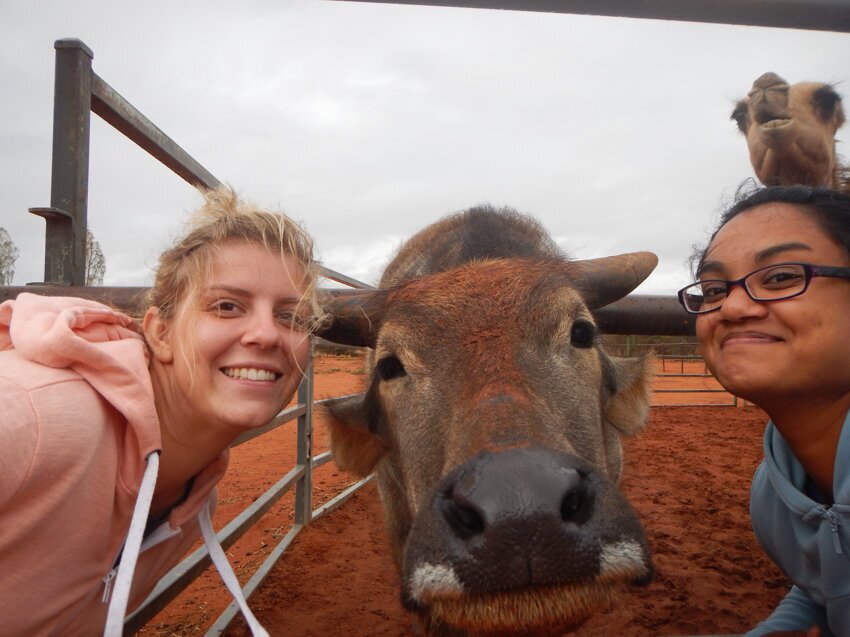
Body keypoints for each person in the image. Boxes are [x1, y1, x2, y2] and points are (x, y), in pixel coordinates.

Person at [0, 186, 326, 636]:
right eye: (227, 306)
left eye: (292, 317)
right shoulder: (32, 416)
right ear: (160, 332)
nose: (267, 335)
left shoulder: (194, 497)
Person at [678, 184, 850, 637]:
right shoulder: (773, 499)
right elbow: (821, 587)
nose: (732, 306)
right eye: (714, 289)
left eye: (779, 278)